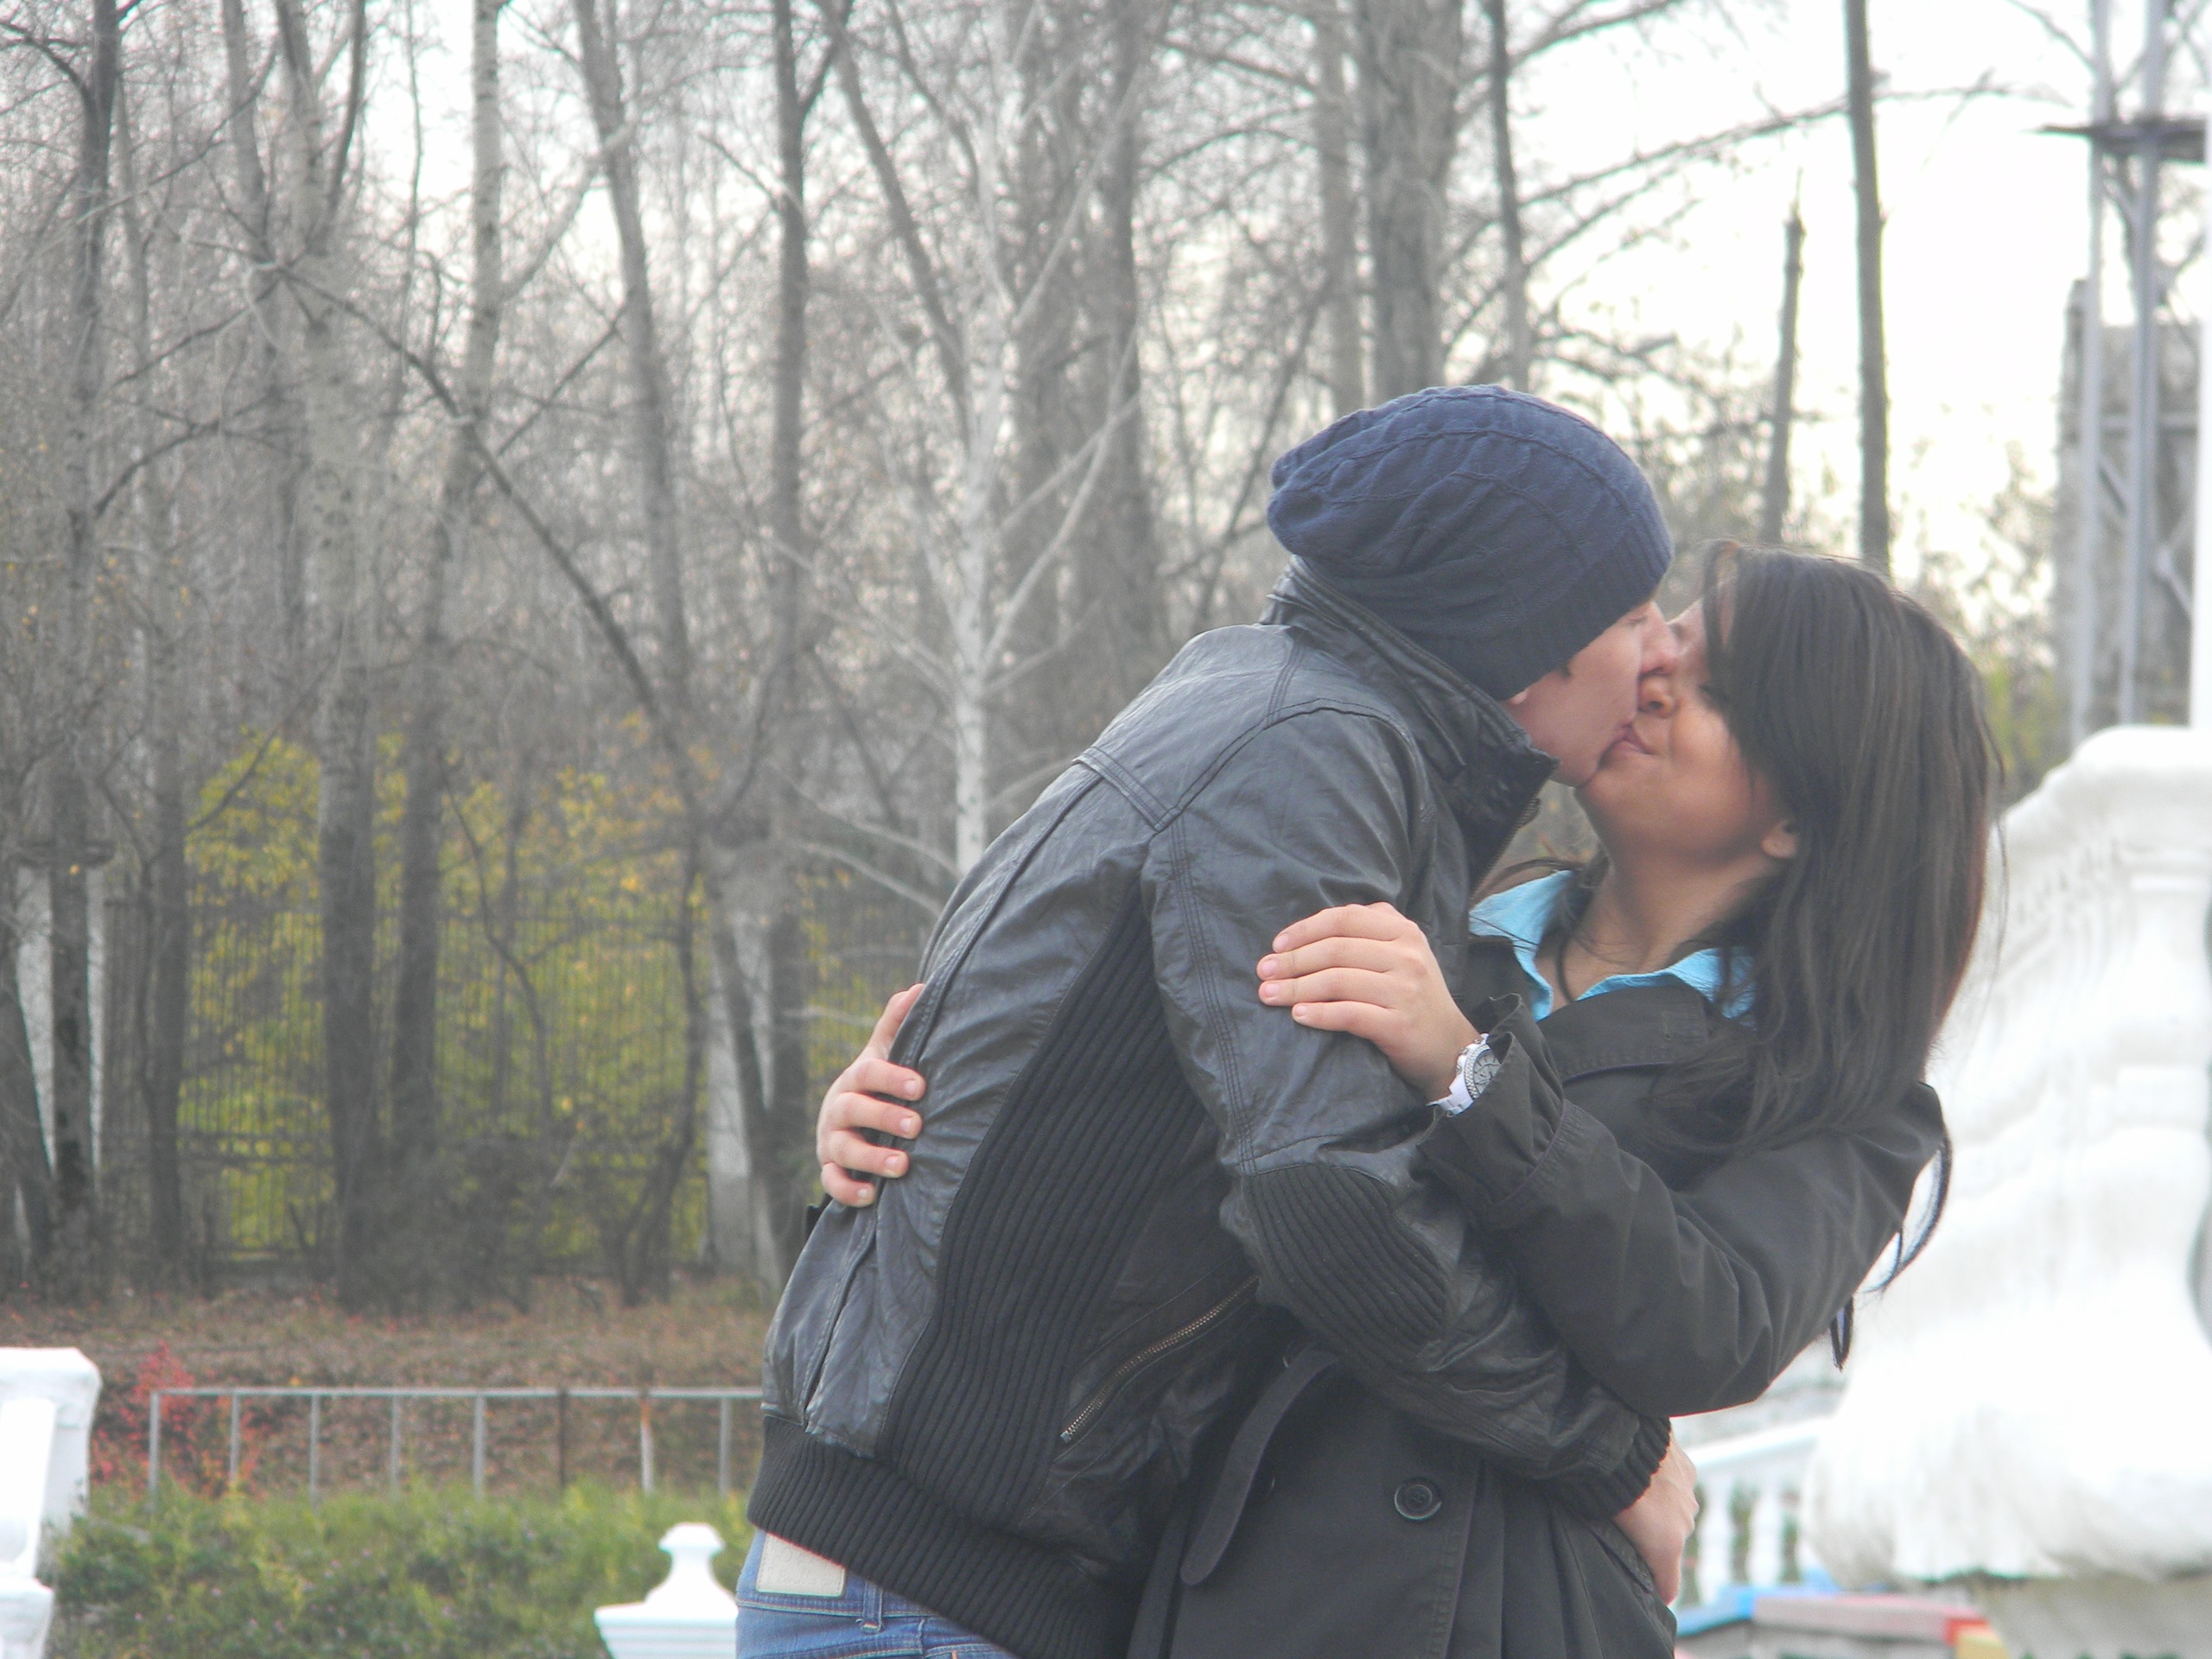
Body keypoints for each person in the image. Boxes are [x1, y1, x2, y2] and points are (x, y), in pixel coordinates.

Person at [812, 547, 1996, 1658]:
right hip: (1234, 1587)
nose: (1652, 677)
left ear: (1799, 816)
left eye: (1715, 686)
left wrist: (1473, 1077)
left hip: (1511, 1612)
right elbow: (1192, 1154)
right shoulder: (1430, 919)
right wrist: (927, 1120)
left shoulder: (1842, 1098)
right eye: (1667, 640)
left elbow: (1705, 1326)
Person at [742, 386, 1696, 1659]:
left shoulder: (1287, 715)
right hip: (932, 1593)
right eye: (1631, 615)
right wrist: (1613, 1457)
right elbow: (1332, 1199)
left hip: (943, 1581)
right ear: (1527, 642)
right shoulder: (1306, 756)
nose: (1662, 652)